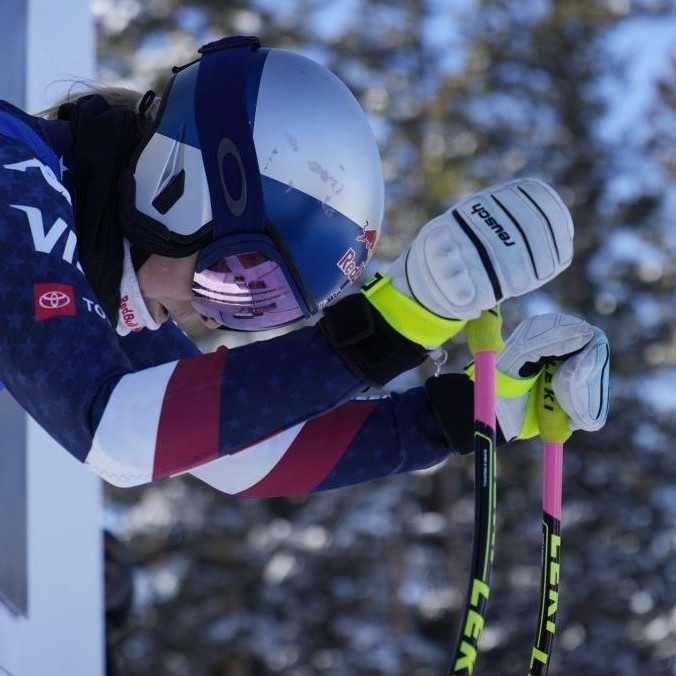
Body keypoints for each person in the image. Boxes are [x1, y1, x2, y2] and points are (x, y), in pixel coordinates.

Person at [0, 36, 609, 496]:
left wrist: (470, 412)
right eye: (235, 283)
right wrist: (398, 321)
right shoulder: (15, 178)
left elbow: (243, 454)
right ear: (177, 191)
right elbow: (116, 428)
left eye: (255, 307)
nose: (205, 315)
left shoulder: (81, 250)